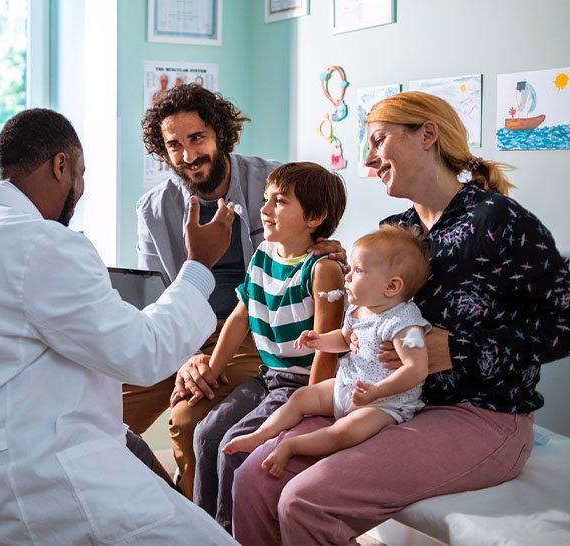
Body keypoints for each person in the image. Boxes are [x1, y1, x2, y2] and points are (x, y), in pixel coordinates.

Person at [232, 91, 570, 545]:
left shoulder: (498, 221)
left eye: (377, 141)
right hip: (387, 402)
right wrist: (343, 269)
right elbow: (373, 309)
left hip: (480, 414)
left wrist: (455, 351)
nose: (369, 160)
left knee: (305, 500)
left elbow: (563, 323)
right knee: (255, 479)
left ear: (426, 135)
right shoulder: (399, 229)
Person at [0, 108, 236, 544]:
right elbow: (144, 354)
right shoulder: (40, 242)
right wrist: (200, 265)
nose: (81, 189)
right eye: (80, 175)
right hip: (39, 472)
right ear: (60, 165)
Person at [131, 83, 282, 500]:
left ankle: (204, 525)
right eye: (174, 145)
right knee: (99, 414)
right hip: (182, 333)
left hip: (249, 329)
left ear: (219, 133)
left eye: (196, 138)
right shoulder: (153, 209)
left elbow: (307, 256)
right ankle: (172, 507)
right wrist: (184, 355)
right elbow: (155, 299)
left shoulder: (273, 182)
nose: (188, 156)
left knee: (186, 419)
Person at [190, 162, 348, 530]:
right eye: (266, 199)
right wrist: (211, 370)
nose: (264, 209)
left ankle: (231, 533)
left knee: (234, 445)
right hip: (268, 377)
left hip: (300, 385)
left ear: (315, 216)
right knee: (206, 433)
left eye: (280, 201)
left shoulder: (322, 269)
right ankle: (200, 530)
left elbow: (327, 348)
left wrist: (311, 408)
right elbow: (240, 317)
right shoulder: (262, 254)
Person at [225, 225, 431, 478]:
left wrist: (378, 391)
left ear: (391, 286)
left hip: (385, 403)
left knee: (345, 432)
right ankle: (259, 435)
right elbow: (344, 340)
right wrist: (319, 340)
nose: (347, 276)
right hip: (348, 386)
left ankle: (292, 446)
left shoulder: (404, 323)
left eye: (358, 271)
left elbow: (416, 368)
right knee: (301, 397)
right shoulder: (358, 309)